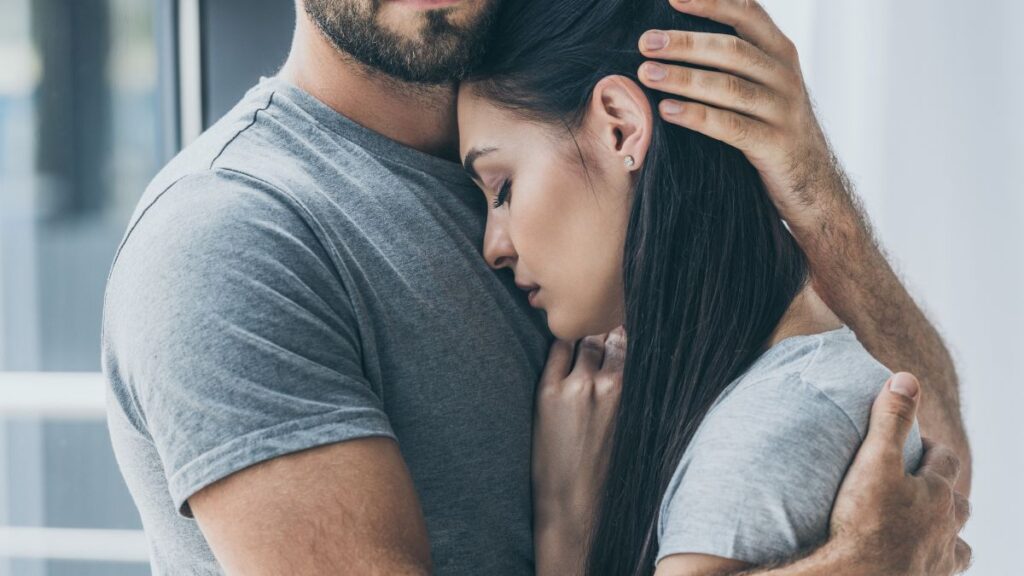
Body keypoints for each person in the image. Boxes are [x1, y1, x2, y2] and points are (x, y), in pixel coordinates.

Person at [100, 0, 970, 574]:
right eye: (494, 194)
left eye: (502, 192)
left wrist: (813, 188)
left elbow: (932, 451)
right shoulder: (233, 236)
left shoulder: (598, 155)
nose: (495, 244)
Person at [456, 0, 968, 574]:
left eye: (502, 188)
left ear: (620, 126)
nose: (492, 246)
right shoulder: (783, 389)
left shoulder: (770, 428)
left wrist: (565, 530)